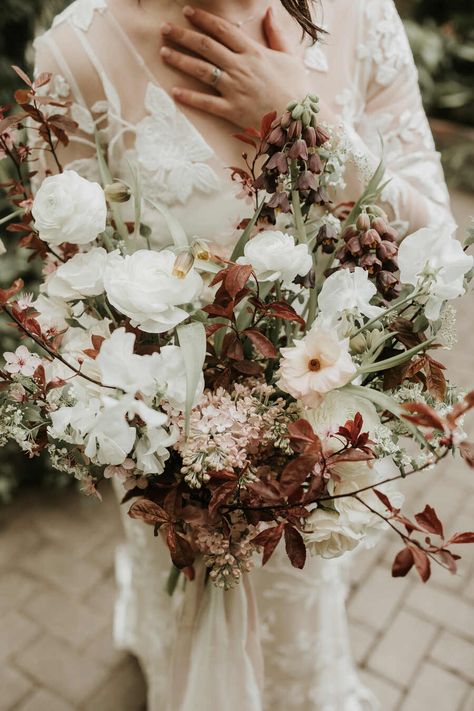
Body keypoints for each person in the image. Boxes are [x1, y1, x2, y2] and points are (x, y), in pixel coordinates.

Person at [32, 1, 453, 709]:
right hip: (172, 469)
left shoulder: (360, 14)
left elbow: (440, 252)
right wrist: (151, 436)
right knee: (180, 620)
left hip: (312, 465)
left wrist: (305, 120)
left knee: (298, 613)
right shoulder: (78, 51)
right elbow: (68, 288)